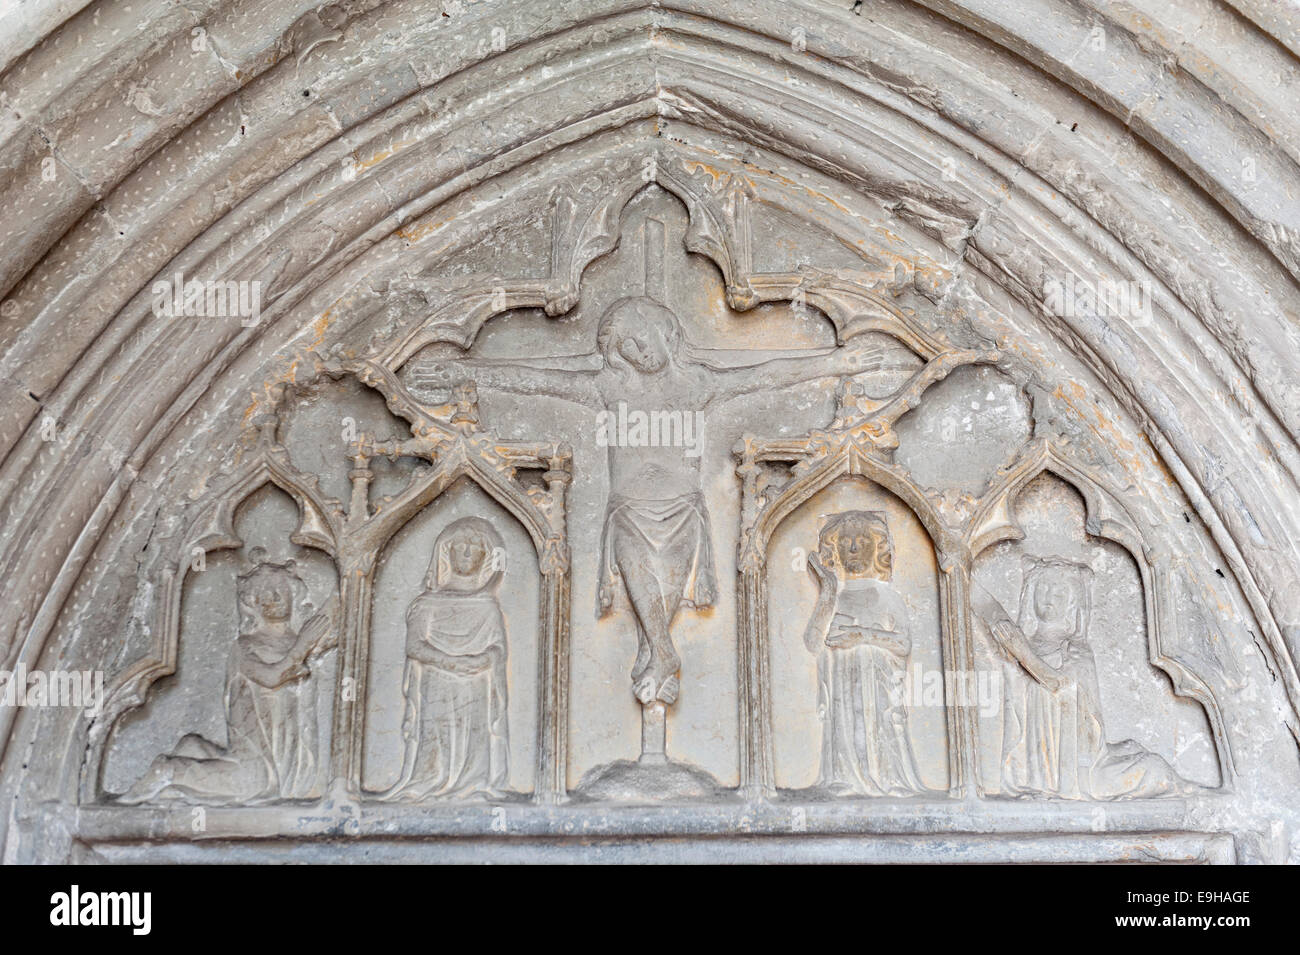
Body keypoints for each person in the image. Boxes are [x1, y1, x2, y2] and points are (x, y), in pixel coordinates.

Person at [407, 296, 880, 704]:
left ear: (666, 333)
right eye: (625, 346)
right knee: (635, 569)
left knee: (667, 588)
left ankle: (655, 654)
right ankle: (664, 653)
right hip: (629, 510)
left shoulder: (697, 382)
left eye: (642, 338)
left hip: (681, 509)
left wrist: (836, 364)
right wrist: (465, 370)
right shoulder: (608, 386)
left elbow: (766, 375)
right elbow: (539, 377)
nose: (637, 351)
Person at [122, 550, 335, 804]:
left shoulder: (300, 643)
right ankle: (168, 770)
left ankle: (191, 760)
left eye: (280, 588)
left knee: (211, 765)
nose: (274, 597)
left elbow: (332, 627)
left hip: (284, 755)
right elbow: (271, 676)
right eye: (264, 591)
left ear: (293, 593)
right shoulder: (246, 646)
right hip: (256, 758)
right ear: (252, 602)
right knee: (253, 782)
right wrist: (303, 645)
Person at [975, 556, 1190, 799]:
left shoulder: (1075, 650)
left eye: (1059, 591)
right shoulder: (1021, 645)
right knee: (1148, 765)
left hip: (1080, 771)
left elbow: (1061, 686)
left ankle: (1187, 789)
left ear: (1071, 602)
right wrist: (1009, 653)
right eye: (1043, 588)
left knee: (1154, 768)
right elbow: (1014, 700)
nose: (1048, 597)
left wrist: (1022, 653)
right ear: (1031, 592)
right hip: (1035, 769)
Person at [382, 517, 509, 801]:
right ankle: (427, 780)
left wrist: (485, 659)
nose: (466, 553)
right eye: (460, 546)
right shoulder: (428, 603)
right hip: (438, 681)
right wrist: (452, 663)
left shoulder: (487, 606)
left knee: (475, 737)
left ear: (485, 555)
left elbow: (498, 648)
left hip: (475, 683)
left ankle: (471, 783)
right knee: (435, 737)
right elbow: (414, 646)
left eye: (474, 547)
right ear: (446, 551)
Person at [802, 511, 927, 796]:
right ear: (834, 549)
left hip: (881, 685)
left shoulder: (886, 596)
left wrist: (861, 636)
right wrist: (828, 590)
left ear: (878, 548)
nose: (854, 548)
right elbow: (812, 642)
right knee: (846, 725)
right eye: (845, 542)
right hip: (842, 686)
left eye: (862, 541)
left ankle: (889, 778)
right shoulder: (835, 596)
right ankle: (844, 776)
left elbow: (903, 644)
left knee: (881, 726)